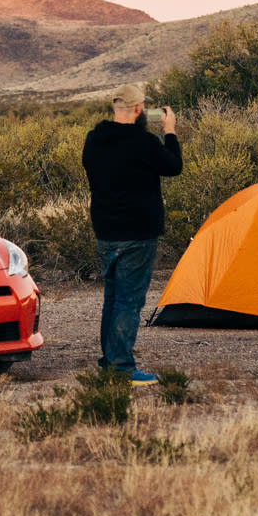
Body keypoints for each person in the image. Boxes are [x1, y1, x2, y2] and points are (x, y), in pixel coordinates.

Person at [81, 85, 182, 385]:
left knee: (112, 298)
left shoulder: (94, 139)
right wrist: (171, 132)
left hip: (106, 231)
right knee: (128, 301)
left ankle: (110, 362)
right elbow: (173, 166)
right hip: (138, 233)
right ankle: (122, 368)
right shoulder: (144, 142)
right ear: (139, 109)